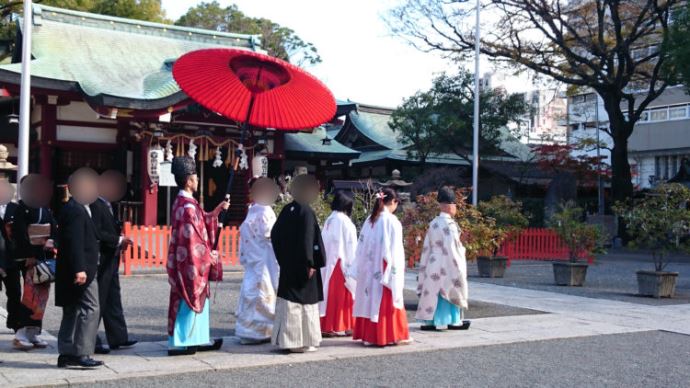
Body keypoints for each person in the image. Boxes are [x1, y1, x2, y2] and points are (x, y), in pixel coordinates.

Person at [167, 156, 228, 356]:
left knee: (188, 299)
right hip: (192, 261)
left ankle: (197, 338)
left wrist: (218, 210)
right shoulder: (188, 207)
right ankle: (186, 340)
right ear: (188, 181)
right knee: (190, 297)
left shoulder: (183, 202)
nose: (198, 180)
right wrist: (208, 256)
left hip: (185, 260)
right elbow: (193, 240)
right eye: (195, 177)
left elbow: (203, 220)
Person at [270, 174, 325, 353]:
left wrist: (283, 258)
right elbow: (308, 240)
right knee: (304, 304)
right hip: (303, 264)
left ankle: (286, 340)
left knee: (288, 302)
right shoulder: (306, 211)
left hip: (288, 265)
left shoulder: (288, 209)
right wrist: (310, 263)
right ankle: (301, 341)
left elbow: (275, 235)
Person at [56, 168, 103, 368]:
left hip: (70, 268)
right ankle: (82, 352)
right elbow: (75, 242)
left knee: (72, 309)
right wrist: (80, 269)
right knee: (91, 308)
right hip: (82, 268)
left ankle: (66, 352)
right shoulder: (76, 210)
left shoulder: (72, 207)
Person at [352, 188, 411, 347]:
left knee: (369, 298)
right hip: (385, 266)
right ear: (392, 202)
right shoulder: (392, 221)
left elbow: (361, 247)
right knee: (387, 299)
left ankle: (368, 335)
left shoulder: (369, 220)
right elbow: (396, 250)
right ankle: (388, 335)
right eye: (396, 203)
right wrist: (397, 269)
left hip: (369, 267)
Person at [9, 174, 56, 350]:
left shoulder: (45, 208)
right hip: (30, 256)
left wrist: (53, 240)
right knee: (30, 294)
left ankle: (33, 332)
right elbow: (19, 233)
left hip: (44, 254)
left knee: (42, 295)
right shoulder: (21, 208)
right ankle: (20, 333)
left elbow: (54, 228)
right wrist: (29, 254)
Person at [91, 170, 137, 354]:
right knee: (99, 300)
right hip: (102, 257)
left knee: (113, 298)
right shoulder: (94, 204)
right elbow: (97, 232)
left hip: (112, 256)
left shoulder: (108, 204)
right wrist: (117, 240)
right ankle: (91, 339)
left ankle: (118, 336)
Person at [415, 186, 470, 331]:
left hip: (433, 260)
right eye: (454, 204)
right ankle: (452, 320)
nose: (455, 208)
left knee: (432, 289)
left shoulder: (433, 223)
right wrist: (459, 260)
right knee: (449, 287)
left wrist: (424, 265)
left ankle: (430, 321)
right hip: (446, 260)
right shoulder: (450, 225)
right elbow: (453, 248)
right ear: (448, 205)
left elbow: (427, 247)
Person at [235, 177, 280, 345]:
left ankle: (249, 331)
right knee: (262, 294)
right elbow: (272, 235)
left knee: (252, 294)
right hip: (263, 259)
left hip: (255, 259)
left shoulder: (253, 210)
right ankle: (262, 331)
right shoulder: (265, 211)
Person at [319, 191, 357, 337]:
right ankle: (344, 324)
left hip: (329, 263)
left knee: (329, 296)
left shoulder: (329, 220)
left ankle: (327, 325)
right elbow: (351, 245)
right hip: (341, 264)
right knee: (344, 296)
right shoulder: (345, 221)